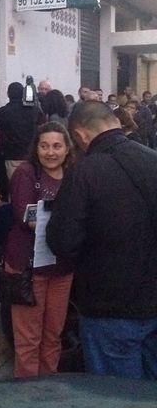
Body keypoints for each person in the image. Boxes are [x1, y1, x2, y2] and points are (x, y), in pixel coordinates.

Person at [48, 101, 157, 379]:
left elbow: (62, 241)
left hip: (109, 308)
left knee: (116, 401)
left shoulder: (84, 172)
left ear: (81, 134)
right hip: (152, 300)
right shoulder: (152, 158)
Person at [4, 123, 74, 378]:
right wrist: (71, 225)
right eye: (44, 146)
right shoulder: (26, 173)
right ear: (36, 148)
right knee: (28, 341)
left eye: (57, 146)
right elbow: (26, 217)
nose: (50, 152)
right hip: (28, 268)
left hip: (62, 269)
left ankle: (47, 390)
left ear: (67, 149)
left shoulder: (74, 174)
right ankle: (27, 398)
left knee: (53, 336)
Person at [0, 82, 42, 182]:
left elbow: (1, 126)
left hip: (12, 154)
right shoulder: (33, 110)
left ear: (8, 94)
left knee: (14, 185)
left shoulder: (3, 112)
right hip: (30, 153)